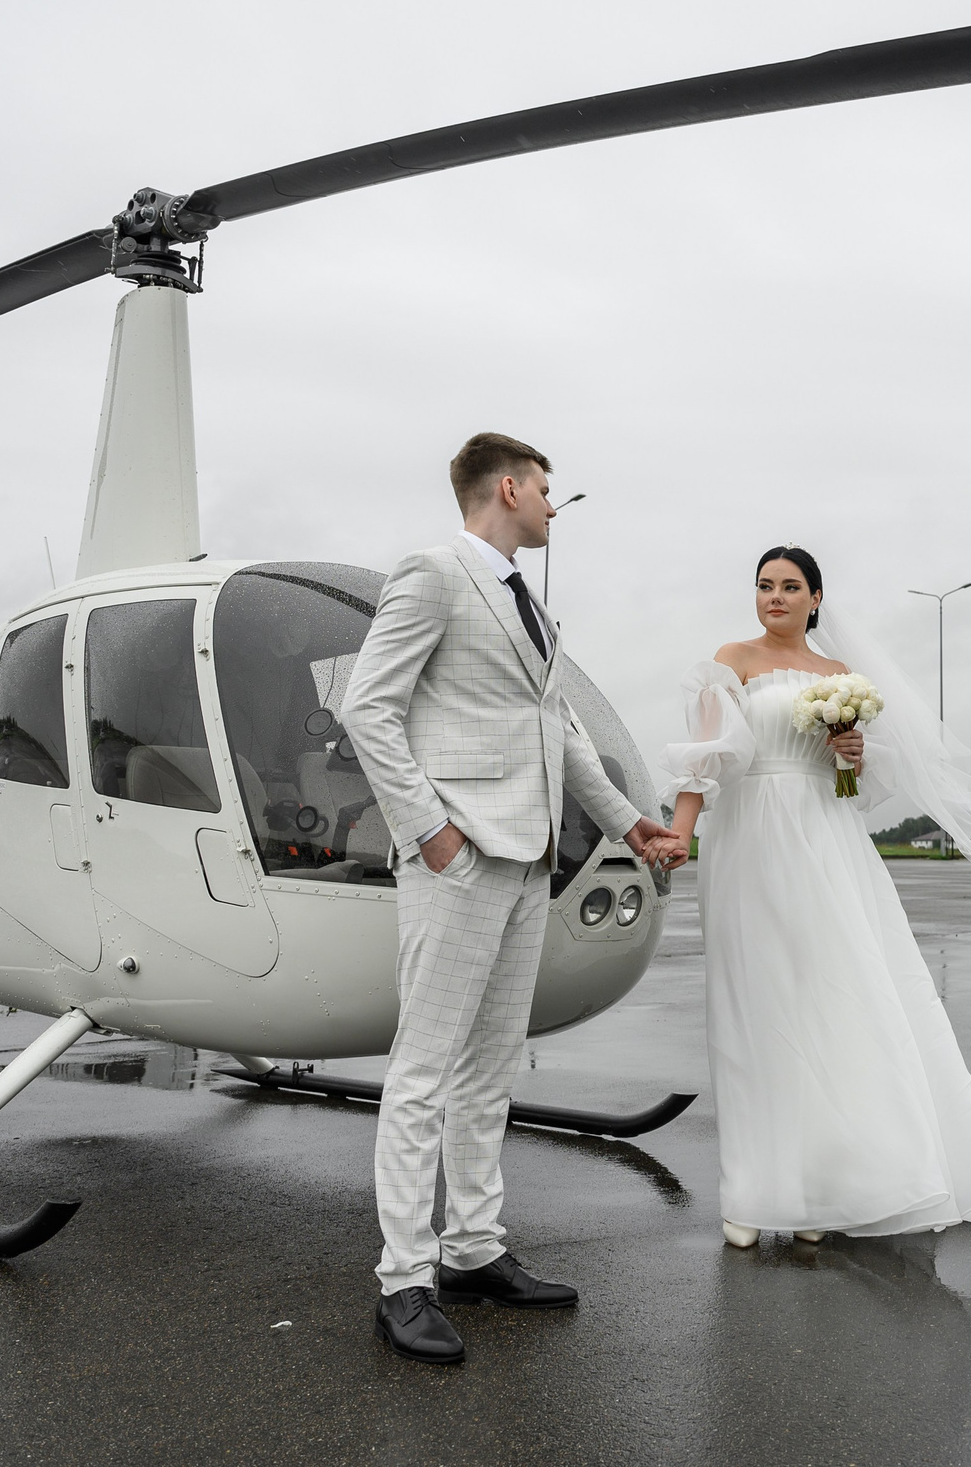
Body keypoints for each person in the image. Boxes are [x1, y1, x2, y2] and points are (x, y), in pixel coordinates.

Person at [343, 431, 687, 1366]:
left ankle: (473, 1249)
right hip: (458, 857)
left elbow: (560, 731)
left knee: (490, 1066)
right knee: (423, 1070)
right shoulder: (433, 573)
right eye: (543, 488)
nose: (550, 504)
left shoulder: (524, 599)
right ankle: (403, 1280)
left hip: (527, 859)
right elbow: (367, 706)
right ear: (507, 487)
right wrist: (429, 829)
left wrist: (632, 825)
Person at [664, 545, 971, 1249]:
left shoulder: (840, 678)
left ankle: (825, 1192)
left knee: (829, 1002)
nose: (774, 596)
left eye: (789, 585)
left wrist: (849, 759)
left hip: (826, 840)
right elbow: (705, 759)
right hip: (748, 842)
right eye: (764, 584)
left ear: (816, 598)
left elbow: (850, 789)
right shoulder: (731, 660)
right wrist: (680, 834)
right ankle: (753, 1190)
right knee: (753, 1006)